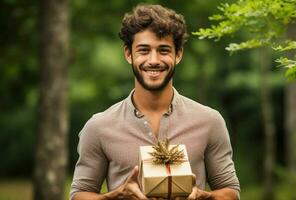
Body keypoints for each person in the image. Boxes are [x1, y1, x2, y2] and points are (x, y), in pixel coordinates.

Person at [70, 4, 240, 200]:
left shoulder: (210, 121)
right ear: (128, 54)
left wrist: (203, 197)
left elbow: (231, 192)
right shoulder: (99, 127)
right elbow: (78, 195)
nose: (153, 60)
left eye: (164, 50)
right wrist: (116, 196)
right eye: (143, 50)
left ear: (178, 54)